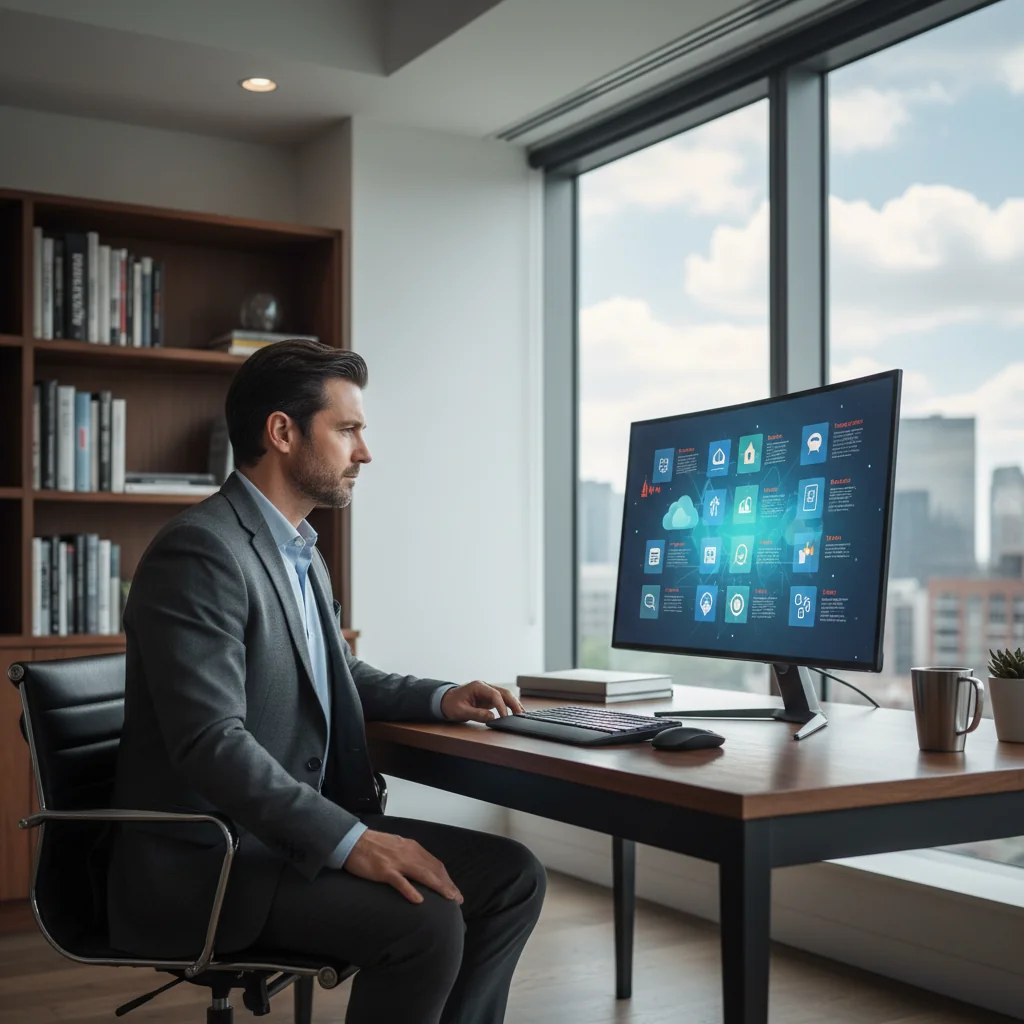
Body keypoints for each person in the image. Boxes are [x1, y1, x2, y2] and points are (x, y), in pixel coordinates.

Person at [107, 340, 546, 1024]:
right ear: (282, 432)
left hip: (279, 838)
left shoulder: (299, 551)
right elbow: (210, 742)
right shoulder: (200, 552)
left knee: (511, 877)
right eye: (347, 430)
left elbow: (338, 676)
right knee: (424, 923)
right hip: (217, 862)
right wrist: (351, 840)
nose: (364, 452)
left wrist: (442, 697)